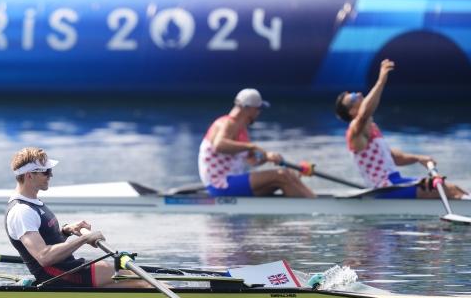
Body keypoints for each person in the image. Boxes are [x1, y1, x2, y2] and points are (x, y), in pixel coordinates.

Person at [5, 147, 150, 288]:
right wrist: (84, 239)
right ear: (29, 175)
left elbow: (49, 242)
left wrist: (66, 231)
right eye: (46, 172)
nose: (51, 175)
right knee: (143, 281)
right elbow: (44, 257)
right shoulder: (21, 211)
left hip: (67, 270)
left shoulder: (33, 204)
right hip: (58, 276)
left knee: (135, 280)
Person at [335, 59, 468, 199]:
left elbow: (394, 157)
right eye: (354, 97)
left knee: (454, 189)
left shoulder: (372, 128)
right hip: (384, 188)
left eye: (357, 93)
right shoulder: (354, 132)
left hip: (396, 182)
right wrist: (381, 80)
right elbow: (363, 115)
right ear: (351, 111)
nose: (360, 94)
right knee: (449, 190)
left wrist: (419, 158)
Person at [198, 88, 315, 198]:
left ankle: (313, 202)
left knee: (288, 174)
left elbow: (252, 161)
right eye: (258, 109)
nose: (259, 113)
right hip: (220, 184)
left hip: (232, 182)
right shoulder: (225, 123)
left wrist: (267, 157)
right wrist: (252, 146)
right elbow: (219, 145)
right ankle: (314, 208)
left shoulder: (242, 131)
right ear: (247, 108)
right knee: (281, 175)